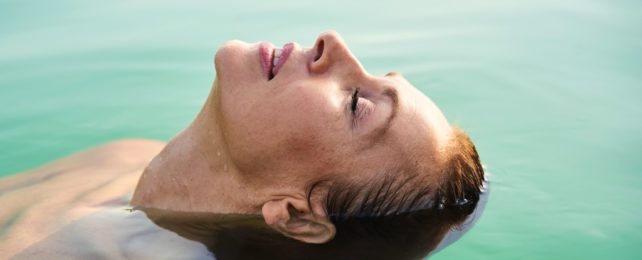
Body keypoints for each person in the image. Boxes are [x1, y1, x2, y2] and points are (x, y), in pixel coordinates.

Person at [129, 30, 488, 256]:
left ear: (298, 217)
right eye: (378, 72)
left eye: (356, 104)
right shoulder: (125, 155)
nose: (332, 43)